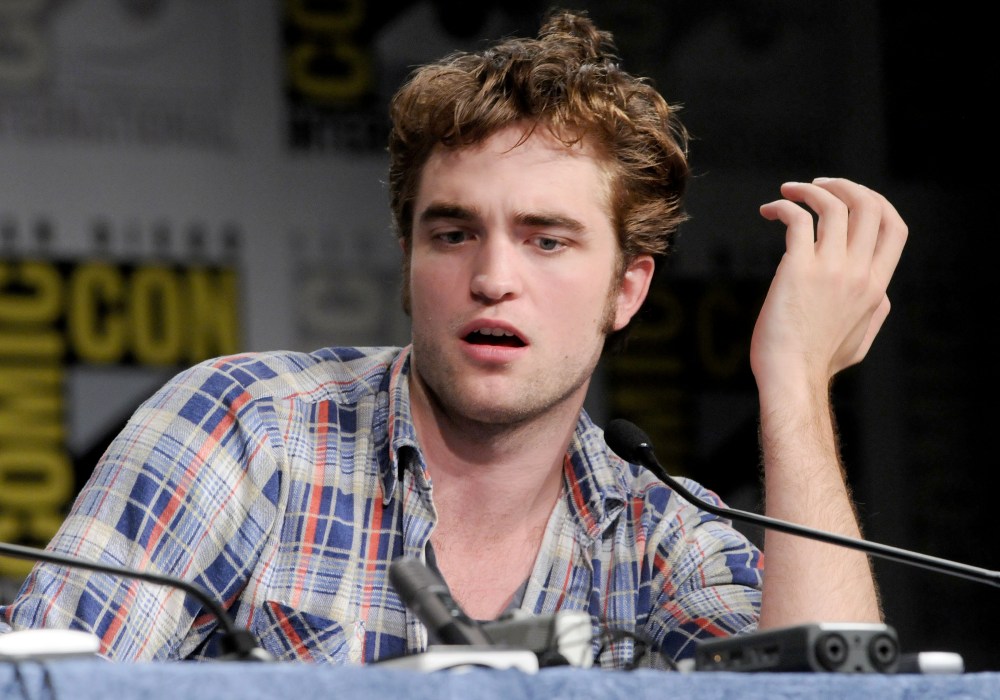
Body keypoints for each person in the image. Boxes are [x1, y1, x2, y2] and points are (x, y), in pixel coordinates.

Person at [0, 8, 903, 667]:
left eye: (547, 241)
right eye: (454, 233)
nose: (492, 276)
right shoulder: (244, 428)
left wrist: (794, 382)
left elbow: (833, 695)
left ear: (627, 290)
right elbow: (44, 682)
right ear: (408, 261)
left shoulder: (663, 535)